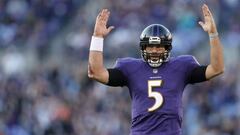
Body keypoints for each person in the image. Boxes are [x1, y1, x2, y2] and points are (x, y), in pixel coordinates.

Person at [88, 4, 224, 135]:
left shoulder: (182, 66)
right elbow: (96, 72)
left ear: (167, 48)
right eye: (150, 47)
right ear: (143, 48)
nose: (154, 51)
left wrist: (213, 34)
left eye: (159, 47)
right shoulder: (130, 68)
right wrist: (97, 37)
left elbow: (216, 69)